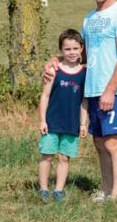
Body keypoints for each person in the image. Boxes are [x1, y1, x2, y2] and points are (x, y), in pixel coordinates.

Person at [44, 0, 117, 202]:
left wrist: (110, 90)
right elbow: (81, 55)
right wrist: (55, 60)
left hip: (113, 91)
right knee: (98, 143)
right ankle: (105, 190)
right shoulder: (89, 19)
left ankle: (116, 196)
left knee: (113, 143)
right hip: (92, 90)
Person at [37, 29, 88, 203]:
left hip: (71, 124)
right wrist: (43, 120)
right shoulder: (54, 70)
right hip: (51, 122)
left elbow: (84, 102)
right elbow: (45, 96)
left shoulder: (85, 74)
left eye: (75, 48)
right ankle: (43, 189)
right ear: (60, 50)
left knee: (64, 157)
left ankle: (59, 190)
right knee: (47, 155)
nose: (71, 52)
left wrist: (83, 124)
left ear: (81, 48)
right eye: (67, 49)